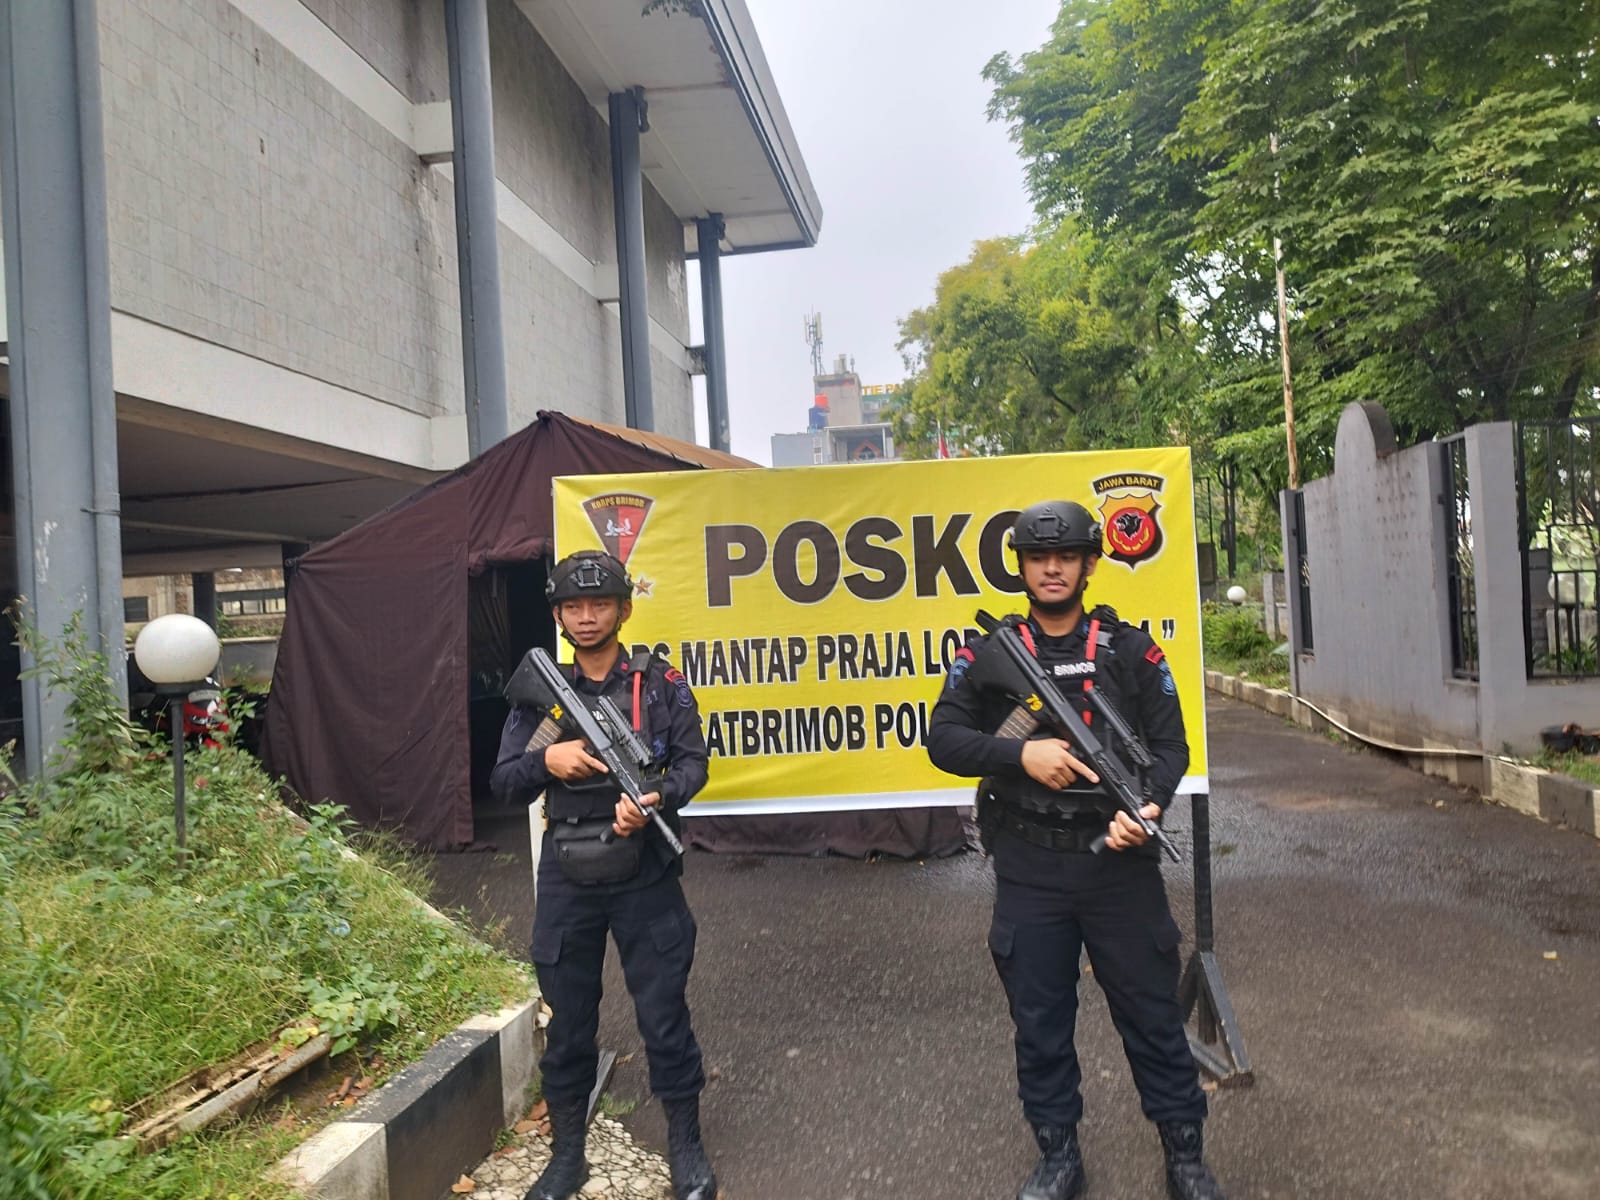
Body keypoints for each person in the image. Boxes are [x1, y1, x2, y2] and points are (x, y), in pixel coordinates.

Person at [926, 501, 1225, 1200]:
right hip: (1030, 865)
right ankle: (1058, 1154)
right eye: (1038, 557)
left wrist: (1147, 808)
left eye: (1066, 557)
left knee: (1152, 1016)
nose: (1052, 568)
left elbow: (1171, 747)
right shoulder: (987, 655)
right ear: (1022, 567)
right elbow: (944, 740)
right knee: (1040, 1022)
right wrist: (1021, 754)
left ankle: (1185, 1154)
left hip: (1120, 868)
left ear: (1091, 563)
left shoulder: (1130, 650)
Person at [491, 550, 716, 1200]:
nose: (587, 617)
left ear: (623, 610)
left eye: (599, 604)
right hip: (569, 873)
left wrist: (655, 799)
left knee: (664, 1017)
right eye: (573, 606)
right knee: (568, 1023)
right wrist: (548, 761)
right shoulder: (544, 694)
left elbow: (694, 765)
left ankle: (686, 1146)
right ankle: (568, 1157)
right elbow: (504, 781)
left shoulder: (659, 683)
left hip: (645, 870)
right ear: (559, 615)